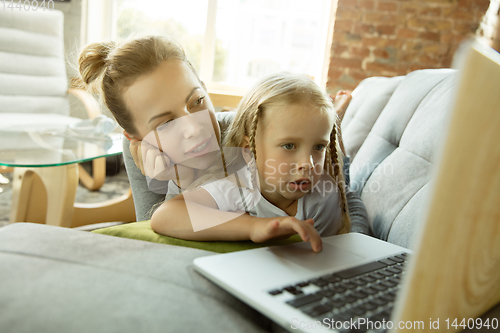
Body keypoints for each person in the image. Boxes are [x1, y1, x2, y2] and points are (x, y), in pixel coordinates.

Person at [73, 35, 369, 251]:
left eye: (197, 101)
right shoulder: (144, 156)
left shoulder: (254, 129)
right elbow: (162, 243)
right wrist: (174, 184)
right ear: (137, 138)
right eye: (166, 123)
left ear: (204, 86)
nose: (194, 127)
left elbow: (342, 191)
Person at [150, 73, 352, 248]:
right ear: (249, 150)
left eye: (319, 147)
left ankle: (336, 114)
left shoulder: (325, 196)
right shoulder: (238, 187)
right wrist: (254, 226)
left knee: (342, 172)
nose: (307, 163)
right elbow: (166, 215)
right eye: (289, 146)